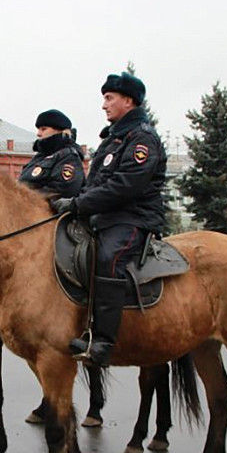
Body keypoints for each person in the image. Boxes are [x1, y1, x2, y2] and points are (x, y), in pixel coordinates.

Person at [51, 71, 167, 368]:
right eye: (104, 98)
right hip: (105, 216)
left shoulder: (142, 138)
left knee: (108, 258)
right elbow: (95, 183)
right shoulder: (113, 139)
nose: (104, 105)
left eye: (109, 98)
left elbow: (126, 186)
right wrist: (73, 205)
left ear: (128, 101)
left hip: (133, 218)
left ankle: (102, 341)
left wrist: (78, 204)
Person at [18, 109, 85, 197]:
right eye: (38, 129)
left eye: (43, 129)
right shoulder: (40, 156)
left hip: (48, 209)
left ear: (58, 130)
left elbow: (61, 191)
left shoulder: (68, 156)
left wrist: (25, 198)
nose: (38, 133)